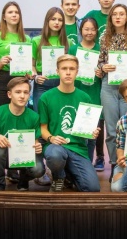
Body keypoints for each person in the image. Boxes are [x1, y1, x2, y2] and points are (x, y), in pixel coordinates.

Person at [38, 54, 101, 192]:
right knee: (55, 156)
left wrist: (92, 132)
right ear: (57, 71)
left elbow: (88, 128)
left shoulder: (85, 97)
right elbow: (43, 129)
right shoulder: (46, 97)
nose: (68, 72)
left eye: (72, 69)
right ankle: (58, 176)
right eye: (64, 68)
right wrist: (51, 138)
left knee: (92, 188)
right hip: (56, 147)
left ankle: (69, 175)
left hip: (77, 149)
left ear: (77, 72)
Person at [98, 4, 127, 177]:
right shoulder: (104, 36)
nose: (118, 17)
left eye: (121, 14)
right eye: (115, 14)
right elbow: (100, 61)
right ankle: (114, 164)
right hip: (109, 87)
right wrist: (103, 67)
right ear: (110, 18)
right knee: (111, 130)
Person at [0, 77, 45, 191]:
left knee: (38, 169)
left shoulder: (34, 116)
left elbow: (35, 141)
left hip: (24, 156)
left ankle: (23, 180)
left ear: (29, 95)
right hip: (5, 156)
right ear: (9, 94)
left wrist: (37, 146)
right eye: (18, 92)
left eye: (25, 92)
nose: (22, 96)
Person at [68, 18, 105, 169]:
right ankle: (75, 164)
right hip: (77, 92)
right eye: (86, 29)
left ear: (96, 31)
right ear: (81, 30)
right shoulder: (73, 50)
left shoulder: (101, 49)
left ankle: (88, 164)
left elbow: (107, 72)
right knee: (76, 131)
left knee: (93, 133)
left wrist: (101, 72)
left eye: (92, 29)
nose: (89, 32)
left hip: (95, 94)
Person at [0, 1, 31, 107]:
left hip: (20, 80)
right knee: (1, 112)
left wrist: (28, 73)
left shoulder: (26, 38)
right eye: (10, 12)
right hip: (0, 79)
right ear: (4, 17)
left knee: (18, 112)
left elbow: (29, 63)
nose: (14, 15)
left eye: (16, 12)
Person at [31, 7, 69, 112]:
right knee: (41, 115)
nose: (57, 22)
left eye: (60, 20)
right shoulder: (36, 40)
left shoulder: (68, 41)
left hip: (61, 84)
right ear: (47, 21)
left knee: (58, 115)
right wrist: (36, 77)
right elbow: (32, 65)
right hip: (42, 84)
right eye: (53, 19)